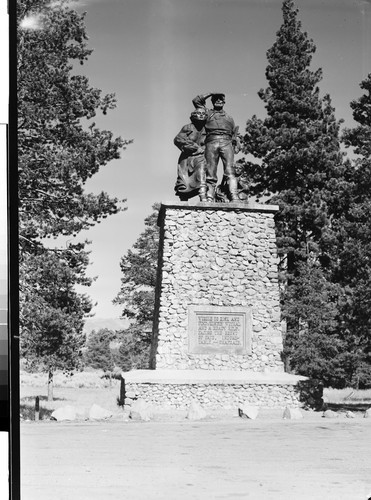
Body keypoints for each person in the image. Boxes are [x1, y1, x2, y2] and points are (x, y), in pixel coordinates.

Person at [192, 92, 240, 202]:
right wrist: (211, 93)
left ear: (224, 102)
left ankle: (234, 196)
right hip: (211, 142)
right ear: (212, 101)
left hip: (227, 142)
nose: (219, 101)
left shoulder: (229, 117)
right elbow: (196, 101)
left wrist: (237, 142)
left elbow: (235, 134)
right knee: (210, 171)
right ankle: (209, 196)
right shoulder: (207, 113)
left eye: (221, 99)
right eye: (216, 99)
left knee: (230, 170)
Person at [173, 107, 207, 201]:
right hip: (187, 158)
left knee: (201, 173)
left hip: (200, 157)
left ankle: (203, 197)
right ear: (194, 115)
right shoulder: (188, 127)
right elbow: (177, 139)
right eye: (199, 113)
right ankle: (183, 200)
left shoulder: (207, 129)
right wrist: (193, 146)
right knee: (184, 182)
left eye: (203, 114)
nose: (201, 115)